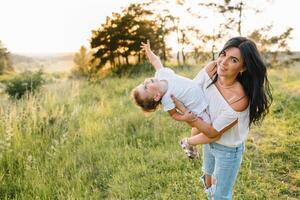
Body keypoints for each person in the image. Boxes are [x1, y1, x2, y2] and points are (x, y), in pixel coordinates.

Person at [170, 36, 272, 199]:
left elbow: (213, 132)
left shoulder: (239, 100)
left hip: (228, 150)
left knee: (220, 196)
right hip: (209, 144)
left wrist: (189, 136)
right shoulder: (211, 69)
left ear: (243, 67)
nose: (223, 62)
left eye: (233, 60)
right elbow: (192, 94)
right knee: (208, 181)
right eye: (223, 54)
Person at [132, 41, 220, 158]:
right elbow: (173, 114)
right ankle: (189, 142)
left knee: (196, 128)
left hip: (199, 89)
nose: (146, 81)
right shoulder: (166, 99)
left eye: (143, 83)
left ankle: (191, 144)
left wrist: (148, 51)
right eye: (145, 87)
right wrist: (185, 117)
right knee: (210, 129)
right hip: (199, 110)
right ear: (157, 96)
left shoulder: (161, 74)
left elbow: (155, 61)